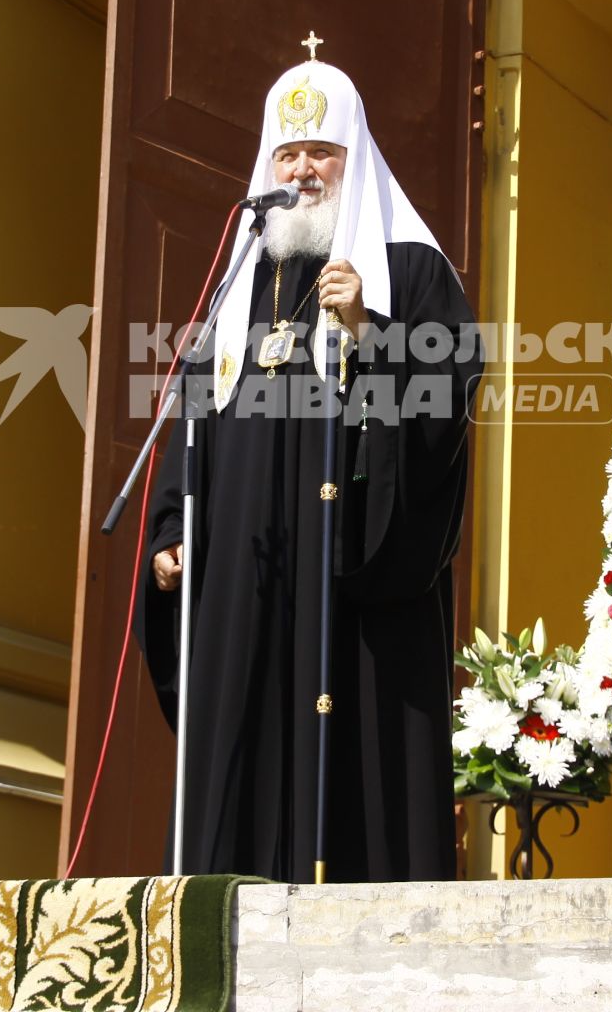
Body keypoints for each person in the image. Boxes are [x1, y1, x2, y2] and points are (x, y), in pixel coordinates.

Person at [138, 56, 479, 883]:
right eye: (287, 155)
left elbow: (449, 403)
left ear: (353, 156)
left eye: (320, 152)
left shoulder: (411, 267)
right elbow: (194, 415)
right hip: (245, 567)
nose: (301, 171)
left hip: (354, 571)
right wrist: (177, 525)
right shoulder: (242, 280)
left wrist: (368, 331)